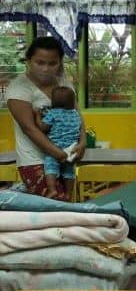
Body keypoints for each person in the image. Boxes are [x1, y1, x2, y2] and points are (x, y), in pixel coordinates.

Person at [6, 36, 86, 198]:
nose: (45, 69)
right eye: (40, 63)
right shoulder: (19, 88)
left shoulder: (64, 84)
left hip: (66, 158)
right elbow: (29, 129)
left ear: (60, 62)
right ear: (29, 61)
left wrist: (82, 143)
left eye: (52, 63)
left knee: (65, 204)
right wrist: (59, 154)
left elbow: (77, 116)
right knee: (55, 206)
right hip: (35, 161)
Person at [33, 86, 82, 200]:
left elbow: (43, 128)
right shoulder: (75, 113)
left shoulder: (53, 113)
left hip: (56, 148)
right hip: (72, 148)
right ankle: (69, 193)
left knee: (50, 167)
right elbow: (79, 128)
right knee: (69, 171)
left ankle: (52, 190)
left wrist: (38, 116)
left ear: (54, 101)